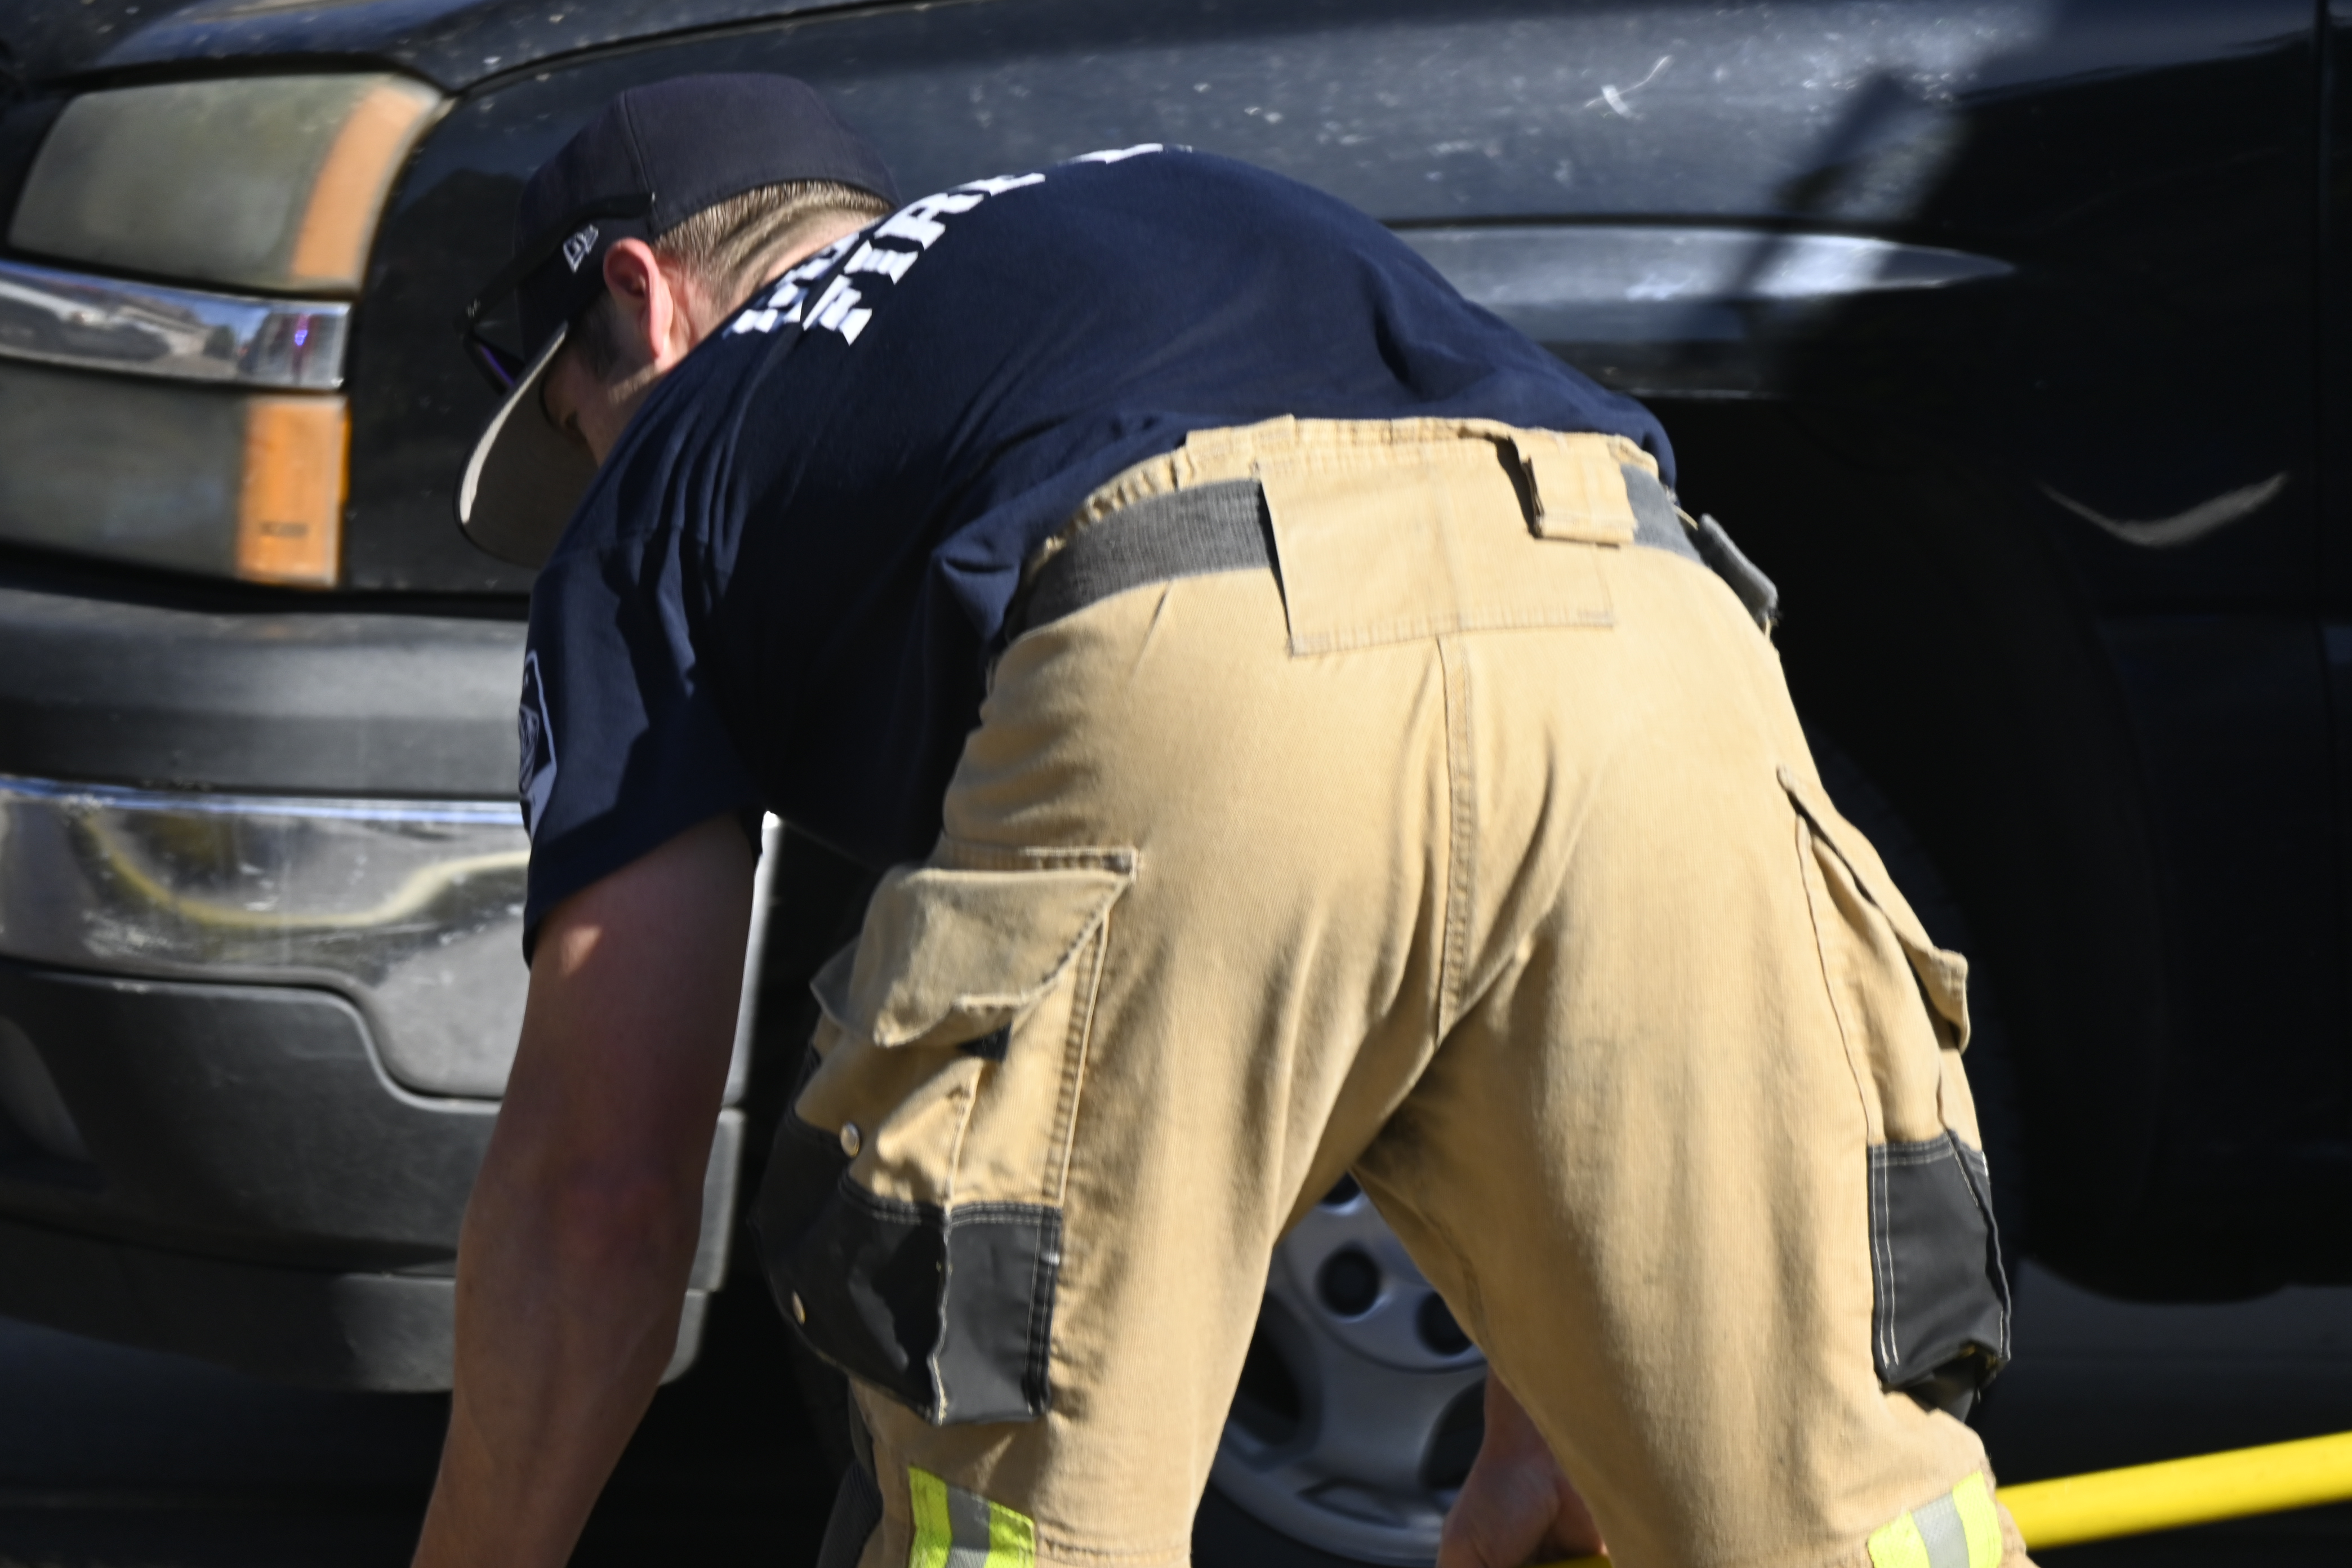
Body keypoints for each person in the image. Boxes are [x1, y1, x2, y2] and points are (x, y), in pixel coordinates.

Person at [416, 71, 2028, 1568]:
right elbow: (1471, 653)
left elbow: (600, 1192)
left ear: (643, 295)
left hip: (1192, 651)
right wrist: (1555, 1418)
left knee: (1026, 1530)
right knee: (1847, 1519)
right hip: (1661, 638)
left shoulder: (677, 457)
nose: (596, 467)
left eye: (571, 422)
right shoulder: (1178, 203)